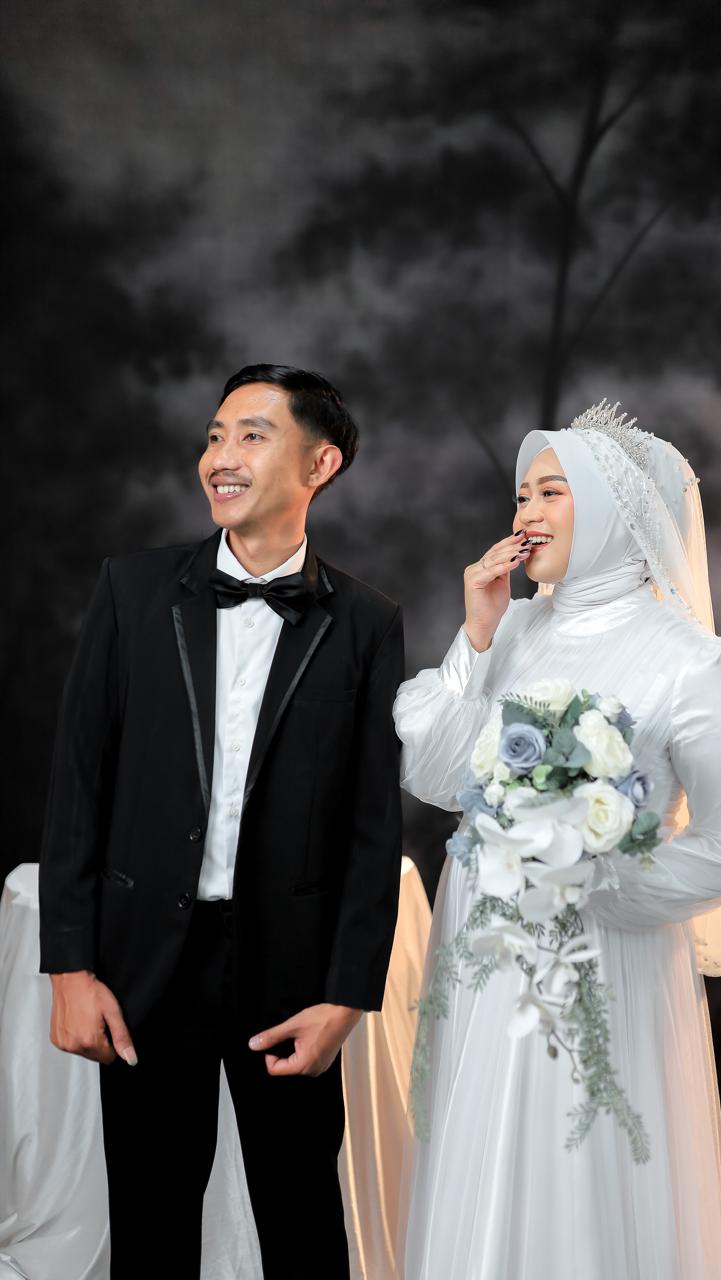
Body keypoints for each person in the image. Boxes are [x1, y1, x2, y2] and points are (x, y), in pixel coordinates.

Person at [393, 403, 721, 1279]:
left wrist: (602, 879)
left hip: (602, 956)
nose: (525, 512)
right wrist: (476, 634)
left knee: (579, 1172)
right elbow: (431, 773)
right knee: (479, 1158)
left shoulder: (686, 660)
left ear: (612, 509)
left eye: (551, 492)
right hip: (483, 947)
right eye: (520, 495)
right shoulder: (512, 628)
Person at [39, 364, 404, 1279]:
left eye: (251, 435)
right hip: (145, 964)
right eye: (214, 436)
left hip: (291, 971)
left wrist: (349, 995)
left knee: (303, 1225)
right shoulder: (131, 591)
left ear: (319, 463)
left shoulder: (367, 623)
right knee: (150, 1225)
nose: (220, 457)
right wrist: (70, 968)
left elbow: (372, 826)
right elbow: (78, 786)